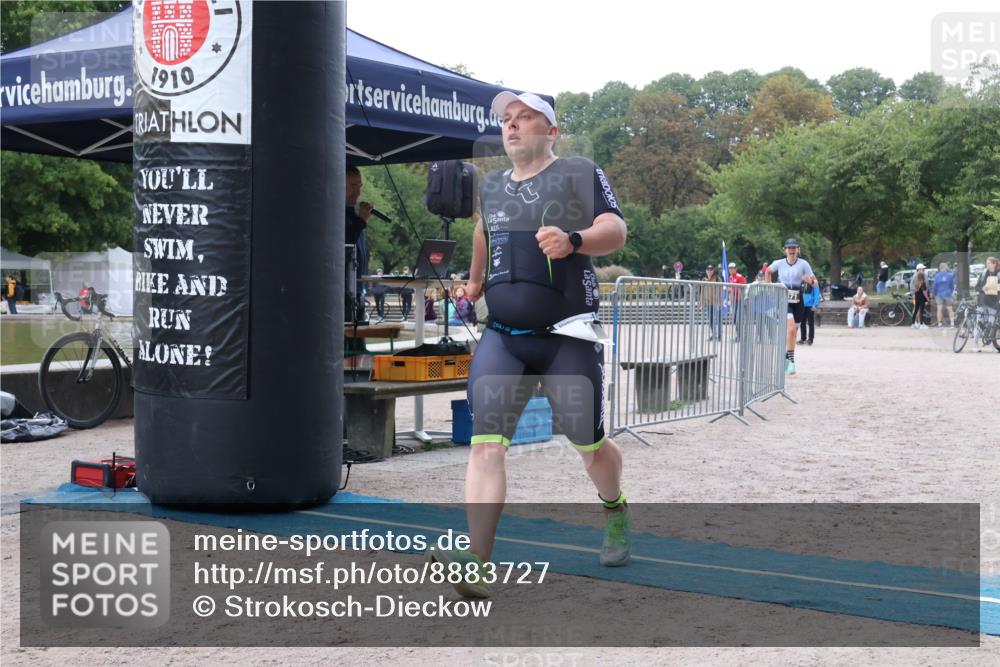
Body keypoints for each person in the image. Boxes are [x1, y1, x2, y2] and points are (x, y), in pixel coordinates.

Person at [425, 90, 630, 597]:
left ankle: (614, 507)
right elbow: (483, 232)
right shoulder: (492, 186)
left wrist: (574, 240)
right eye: (507, 120)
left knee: (589, 444)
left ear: (551, 130)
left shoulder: (578, 172)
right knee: (485, 448)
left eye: (526, 118)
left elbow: (616, 228)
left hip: (566, 337)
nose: (512, 127)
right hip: (503, 338)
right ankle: (475, 560)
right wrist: (474, 284)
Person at [764, 238, 818, 375]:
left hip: (798, 299)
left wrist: (810, 281)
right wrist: (770, 287)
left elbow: (815, 283)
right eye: (789, 248)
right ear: (785, 250)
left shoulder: (804, 264)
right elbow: (767, 271)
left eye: (794, 248)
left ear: (798, 250)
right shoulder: (780, 263)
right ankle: (792, 363)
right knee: (791, 329)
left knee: (793, 332)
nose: (792, 251)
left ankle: (786, 358)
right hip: (784, 298)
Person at [345, 166, 373, 322]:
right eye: (353, 186)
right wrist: (361, 220)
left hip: (357, 285)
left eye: (359, 186)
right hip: (343, 286)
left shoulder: (353, 215)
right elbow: (346, 241)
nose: (358, 191)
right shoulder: (335, 213)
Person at [974, 256, 999, 343]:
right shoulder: (984, 273)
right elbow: (976, 287)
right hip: (982, 301)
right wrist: (983, 288)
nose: (987, 265)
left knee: (992, 324)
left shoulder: (999, 274)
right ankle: (975, 344)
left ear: (994, 264)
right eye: (986, 263)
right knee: (978, 323)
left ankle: (992, 344)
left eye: (988, 263)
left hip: (994, 303)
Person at [700, 264, 723, 340]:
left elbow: (721, 290)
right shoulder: (703, 279)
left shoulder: (717, 278)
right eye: (708, 270)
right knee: (710, 319)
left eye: (711, 270)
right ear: (706, 271)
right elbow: (702, 292)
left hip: (716, 302)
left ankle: (719, 335)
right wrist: (701, 302)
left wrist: (720, 302)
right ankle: (714, 334)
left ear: (713, 271)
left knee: (718, 319)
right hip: (708, 302)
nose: (709, 271)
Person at [932, 262, 956, 327]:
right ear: (946, 268)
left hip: (939, 294)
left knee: (939, 309)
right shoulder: (950, 275)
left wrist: (933, 294)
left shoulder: (937, 276)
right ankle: (952, 323)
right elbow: (952, 286)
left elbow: (934, 286)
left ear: (940, 268)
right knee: (950, 309)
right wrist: (950, 291)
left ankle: (939, 324)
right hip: (948, 294)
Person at [727, 262, 746, 338]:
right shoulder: (730, 277)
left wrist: (732, 289)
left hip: (740, 300)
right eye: (730, 268)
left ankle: (740, 335)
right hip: (734, 300)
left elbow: (743, 287)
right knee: (735, 318)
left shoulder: (739, 277)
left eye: (733, 268)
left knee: (738, 318)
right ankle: (739, 334)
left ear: (736, 269)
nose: (731, 270)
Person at [800, 278, 820, 344]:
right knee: (802, 323)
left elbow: (817, 294)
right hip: (802, 305)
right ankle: (803, 338)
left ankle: (810, 339)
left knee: (810, 323)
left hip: (810, 306)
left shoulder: (814, 283)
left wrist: (815, 305)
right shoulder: (801, 283)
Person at [909, 264, 930, 329]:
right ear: (919, 269)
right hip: (921, 297)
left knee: (916, 309)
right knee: (921, 310)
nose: (924, 269)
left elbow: (911, 285)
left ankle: (914, 323)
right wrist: (928, 298)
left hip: (916, 295)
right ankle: (920, 323)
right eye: (923, 268)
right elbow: (925, 290)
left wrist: (913, 293)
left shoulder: (915, 276)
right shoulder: (922, 277)